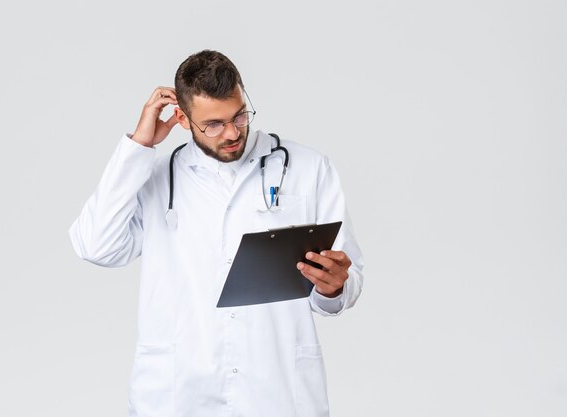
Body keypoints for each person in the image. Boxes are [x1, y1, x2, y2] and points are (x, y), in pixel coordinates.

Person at [69, 49, 364, 417]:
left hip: (276, 390)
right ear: (181, 118)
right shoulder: (156, 178)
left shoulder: (308, 169)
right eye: (213, 124)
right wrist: (138, 148)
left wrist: (334, 285)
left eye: (239, 115)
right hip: (177, 392)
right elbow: (96, 245)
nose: (232, 132)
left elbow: (343, 286)